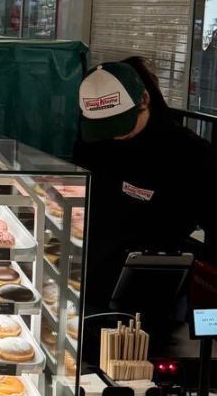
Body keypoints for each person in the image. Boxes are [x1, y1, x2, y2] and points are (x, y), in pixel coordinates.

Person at [73, 57, 217, 316]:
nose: (114, 135)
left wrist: (206, 308)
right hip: (91, 275)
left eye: (120, 123)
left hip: (153, 287)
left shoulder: (190, 154)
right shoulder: (95, 142)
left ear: (144, 100)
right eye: (103, 126)